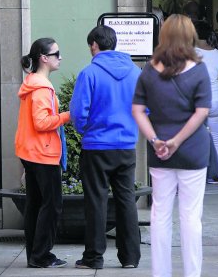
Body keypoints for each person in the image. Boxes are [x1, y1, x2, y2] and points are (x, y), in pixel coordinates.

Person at [132, 14, 211, 277]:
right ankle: (192, 273)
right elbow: (201, 112)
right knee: (191, 217)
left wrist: (156, 140)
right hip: (192, 150)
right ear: (190, 36)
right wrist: (178, 141)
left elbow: (138, 110)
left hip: (160, 152)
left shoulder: (148, 70)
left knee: (160, 214)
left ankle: (160, 273)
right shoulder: (199, 69)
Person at [70, 25, 141, 269]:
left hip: (97, 146)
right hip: (126, 146)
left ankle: (94, 258)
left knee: (96, 202)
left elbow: (78, 113)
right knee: (126, 200)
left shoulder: (89, 73)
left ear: (94, 45)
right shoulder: (135, 73)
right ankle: (130, 257)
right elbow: (146, 108)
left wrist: (86, 130)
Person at [16, 38, 70, 268]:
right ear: (44, 58)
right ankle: (41, 256)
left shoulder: (32, 82)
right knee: (51, 205)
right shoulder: (41, 88)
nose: (61, 57)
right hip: (43, 153)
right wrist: (69, 115)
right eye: (57, 53)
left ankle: (35, 255)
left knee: (36, 204)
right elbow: (41, 122)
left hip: (31, 151)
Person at [194, 20, 218, 185]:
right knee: (216, 137)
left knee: (194, 138)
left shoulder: (191, 53)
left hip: (198, 101)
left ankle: (198, 174)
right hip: (216, 101)